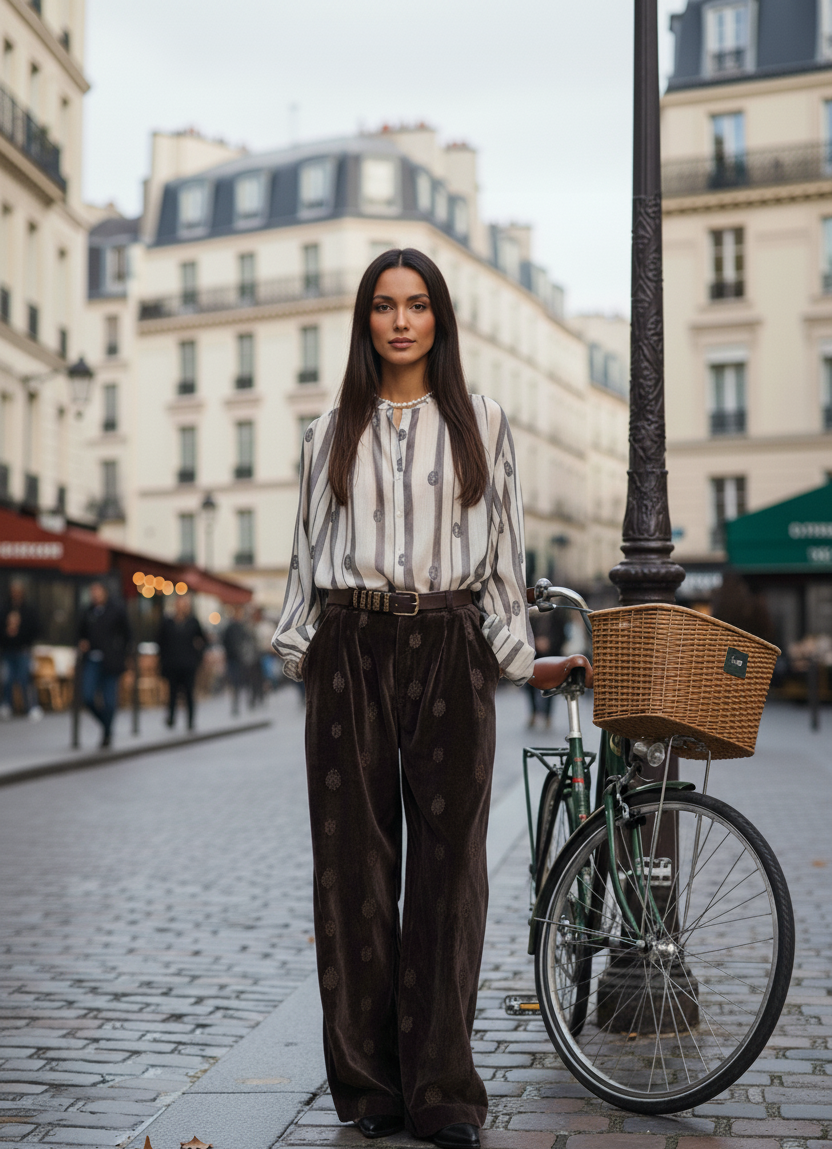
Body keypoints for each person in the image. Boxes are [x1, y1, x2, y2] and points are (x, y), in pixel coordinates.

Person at [273, 249, 534, 1149]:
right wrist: (298, 642)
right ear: (366, 320)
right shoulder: (325, 431)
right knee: (351, 872)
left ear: (439, 320)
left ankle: (443, 1089)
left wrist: (513, 649)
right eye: (384, 306)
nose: (400, 321)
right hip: (349, 642)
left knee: (450, 870)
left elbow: (507, 545)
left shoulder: (483, 422)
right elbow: (307, 549)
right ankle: (369, 1085)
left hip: (452, 641)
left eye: (417, 305)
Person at [77, 581, 131, 748]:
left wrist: (120, 654)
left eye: (97, 590)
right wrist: (82, 643)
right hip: (92, 660)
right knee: (87, 696)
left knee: (109, 701)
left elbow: (128, 635)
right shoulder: (88, 611)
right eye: (92, 591)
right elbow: (80, 633)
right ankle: (106, 726)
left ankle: (106, 733)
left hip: (110, 662)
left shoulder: (117, 610)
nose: (94, 594)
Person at [158, 594, 206, 730]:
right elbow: (161, 642)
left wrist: (197, 657)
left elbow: (203, 640)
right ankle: (171, 718)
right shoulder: (167, 622)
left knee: (189, 693)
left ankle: (190, 720)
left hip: (188, 664)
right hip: (172, 664)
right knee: (172, 693)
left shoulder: (193, 622)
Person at [0, 580, 42, 721]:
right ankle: (6, 705)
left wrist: (20, 632)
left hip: (23, 650)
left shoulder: (28, 610)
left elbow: (35, 629)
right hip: (7, 651)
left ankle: (31, 706)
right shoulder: (5, 609)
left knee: (25, 679)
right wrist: (7, 633)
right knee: (7, 680)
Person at [525, 606, 567, 730]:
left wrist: (549, 643)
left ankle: (548, 715)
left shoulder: (558, 616)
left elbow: (562, 636)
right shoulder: (532, 615)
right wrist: (536, 643)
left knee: (551, 687)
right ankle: (533, 712)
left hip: (552, 655)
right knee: (530, 686)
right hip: (534, 655)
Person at [222, 606, 256, 714]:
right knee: (236, 684)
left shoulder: (242, 627)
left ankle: (248, 702)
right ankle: (238, 704)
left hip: (241, 659)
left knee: (244, 682)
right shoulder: (234, 628)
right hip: (235, 659)